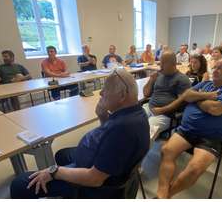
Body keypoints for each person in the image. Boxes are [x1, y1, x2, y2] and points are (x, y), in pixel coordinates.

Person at [10, 69, 150, 199]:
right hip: (99, 162)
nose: (101, 93)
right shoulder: (136, 112)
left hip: (96, 186)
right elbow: (111, 139)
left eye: (105, 89)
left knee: (19, 183)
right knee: (62, 154)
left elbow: (94, 179)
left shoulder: (122, 130)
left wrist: (54, 172)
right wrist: (102, 117)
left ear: (122, 95)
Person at [155, 58, 222, 199]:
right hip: (187, 130)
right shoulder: (206, 84)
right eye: (215, 67)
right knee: (166, 151)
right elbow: (187, 95)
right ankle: (161, 194)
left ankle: (167, 196)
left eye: (220, 68)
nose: (215, 70)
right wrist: (206, 97)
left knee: (194, 169)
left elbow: (215, 109)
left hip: (213, 137)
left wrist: (196, 99)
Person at [142, 51, 191, 136]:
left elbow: (182, 103)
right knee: (132, 123)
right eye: (160, 63)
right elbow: (146, 94)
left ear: (173, 64)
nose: (160, 66)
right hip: (150, 107)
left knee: (146, 132)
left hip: (166, 115)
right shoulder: (159, 75)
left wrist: (161, 110)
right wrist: (151, 80)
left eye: (163, 64)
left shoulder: (182, 79)